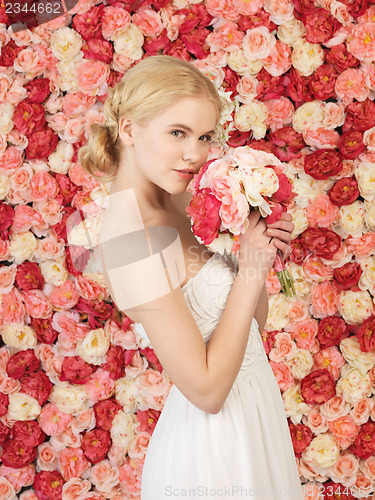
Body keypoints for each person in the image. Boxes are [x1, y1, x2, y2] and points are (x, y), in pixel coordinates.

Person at [79, 55, 304, 500]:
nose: (195, 154)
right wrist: (251, 267)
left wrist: (255, 249)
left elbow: (250, 331)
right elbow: (206, 391)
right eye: (177, 133)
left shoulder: (182, 202)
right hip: (211, 452)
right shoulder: (127, 238)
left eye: (203, 137)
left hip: (256, 418)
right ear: (129, 129)